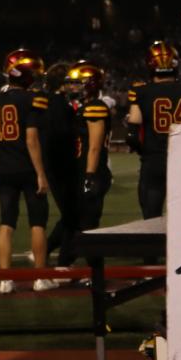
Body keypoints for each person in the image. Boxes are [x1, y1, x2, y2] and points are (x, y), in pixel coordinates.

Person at [0, 49, 52, 294]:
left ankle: (5, 279)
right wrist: (41, 173)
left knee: (6, 222)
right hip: (27, 168)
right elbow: (32, 139)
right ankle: (40, 277)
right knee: (37, 223)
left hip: (5, 169)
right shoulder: (32, 99)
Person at [124, 40, 181, 218]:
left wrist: (143, 151)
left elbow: (132, 135)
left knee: (151, 218)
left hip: (154, 161)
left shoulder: (141, 92)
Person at [40, 61, 83, 263]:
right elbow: (60, 137)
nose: (76, 85)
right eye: (71, 81)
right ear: (62, 83)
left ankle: (51, 252)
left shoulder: (52, 102)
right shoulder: (58, 105)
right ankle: (63, 261)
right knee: (72, 215)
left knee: (71, 214)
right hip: (61, 167)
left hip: (55, 165)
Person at [66, 61, 112, 237]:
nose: (72, 86)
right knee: (75, 220)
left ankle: (92, 262)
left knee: (87, 222)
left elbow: (94, 147)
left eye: (77, 82)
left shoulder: (95, 107)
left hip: (92, 171)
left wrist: (89, 176)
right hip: (83, 170)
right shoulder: (85, 106)